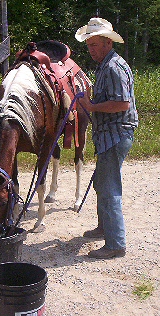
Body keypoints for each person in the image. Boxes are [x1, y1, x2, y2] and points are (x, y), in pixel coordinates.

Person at [75, 17, 139, 259]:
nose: (90, 50)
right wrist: (92, 98)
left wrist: (91, 106)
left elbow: (122, 104)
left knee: (109, 187)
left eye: (94, 45)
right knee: (102, 182)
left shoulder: (112, 67)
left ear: (107, 44)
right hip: (108, 136)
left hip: (116, 135)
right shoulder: (105, 65)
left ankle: (115, 243)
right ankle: (105, 229)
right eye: (89, 45)